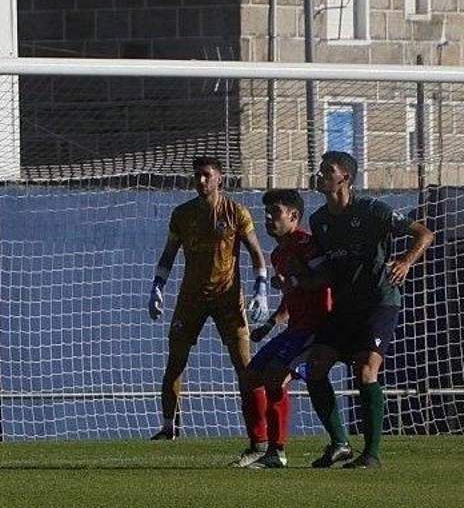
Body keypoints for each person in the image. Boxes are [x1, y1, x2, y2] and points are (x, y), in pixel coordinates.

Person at [299, 151, 434, 469]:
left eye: (327, 170)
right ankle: (340, 443)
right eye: (320, 169)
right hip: (345, 306)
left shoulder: (372, 209)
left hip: (379, 302)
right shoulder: (319, 221)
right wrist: (299, 279)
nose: (319, 174)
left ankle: (371, 455)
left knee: (366, 371)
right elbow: (330, 270)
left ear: (344, 178)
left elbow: (424, 234)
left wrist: (405, 261)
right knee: (315, 366)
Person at [147, 156, 271, 457]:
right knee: (175, 361)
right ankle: (168, 427)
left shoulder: (236, 212)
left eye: (206, 175)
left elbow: (256, 252)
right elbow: (168, 254)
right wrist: (157, 287)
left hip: (228, 299)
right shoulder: (182, 214)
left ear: (220, 179)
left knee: (245, 367)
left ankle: (260, 434)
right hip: (191, 299)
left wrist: (261, 289)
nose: (201, 181)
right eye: (197, 176)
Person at [240, 188, 331, 469]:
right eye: (266, 212)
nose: (267, 217)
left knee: (275, 375)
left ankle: (277, 451)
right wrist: (269, 324)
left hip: (318, 328)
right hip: (294, 330)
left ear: (293, 216)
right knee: (250, 377)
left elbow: (327, 279)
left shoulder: (307, 245)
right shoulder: (280, 254)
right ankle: (260, 445)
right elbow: (291, 298)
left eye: (274, 212)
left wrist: (296, 279)